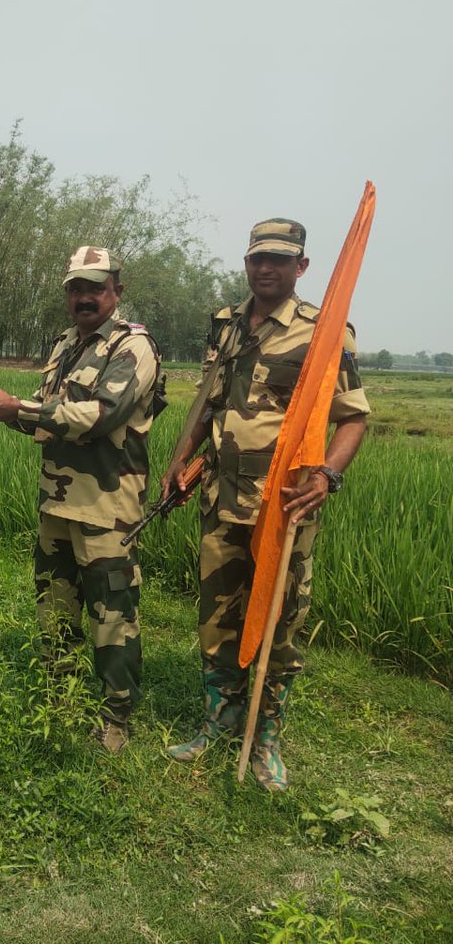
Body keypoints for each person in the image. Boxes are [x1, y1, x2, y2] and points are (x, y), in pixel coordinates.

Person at [161, 218, 369, 791]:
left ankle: (266, 735)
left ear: (301, 267)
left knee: (280, 622)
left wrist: (327, 473)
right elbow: (208, 402)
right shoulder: (226, 325)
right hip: (221, 499)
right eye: (257, 258)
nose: (266, 269)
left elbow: (352, 417)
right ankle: (219, 719)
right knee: (217, 614)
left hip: (284, 508)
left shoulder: (325, 332)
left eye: (279, 259)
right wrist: (181, 459)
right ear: (247, 262)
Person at [0, 246, 162, 753]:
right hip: (57, 503)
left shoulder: (132, 347)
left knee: (111, 616)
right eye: (75, 288)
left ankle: (116, 717)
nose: (83, 297)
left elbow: (101, 415)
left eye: (94, 288)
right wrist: (1, 407)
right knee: (54, 608)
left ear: (116, 292)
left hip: (107, 509)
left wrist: (23, 408)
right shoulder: (65, 346)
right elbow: (47, 416)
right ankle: (61, 698)